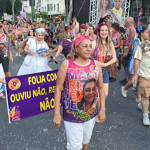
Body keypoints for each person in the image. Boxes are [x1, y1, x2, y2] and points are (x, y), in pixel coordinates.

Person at [53, 35, 106, 150]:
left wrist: (102, 109)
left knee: (86, 140)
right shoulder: (67, 64)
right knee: (75, 146)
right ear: (76, 48)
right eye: (85, 46)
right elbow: (58, 89)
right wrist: (57, 113)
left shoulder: (96, 65)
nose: (88, 49)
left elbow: (101, 88)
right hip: (71, 114)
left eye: (90, 46)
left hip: (91, 113)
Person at [122, 24, 149, 99]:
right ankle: (124, 88)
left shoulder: (146, 42)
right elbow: (134, 53)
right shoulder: (137, 41)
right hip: (136, 62)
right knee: (134, 80)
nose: (148, 34)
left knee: (140, 81)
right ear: (142, 33)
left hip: (142, 63)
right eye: (146, 32)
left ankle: (138, 98)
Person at [132, 25, 150, 126]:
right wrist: (135, 75)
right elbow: (137, 60)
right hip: (145, 75)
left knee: (146, 96)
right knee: (145, 95)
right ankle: (145, 115)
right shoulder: (143, 45)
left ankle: (142, 105)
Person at [94, 23, 116, 98]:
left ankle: (98, 107)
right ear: (99, 32)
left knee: (105, 94)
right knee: (95, 94)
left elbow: (114, 58)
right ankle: (96, 109)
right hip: (95, 71)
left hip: (105, 70)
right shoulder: (95, 43)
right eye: (102, 30)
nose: (104, 32)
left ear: (108, 32)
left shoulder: (110, 43)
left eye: (106, 30)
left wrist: (106, 64)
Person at [120, 17, 136, 85]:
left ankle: (128, 79)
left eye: (125, 21)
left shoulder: (132, 29)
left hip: (129, 51)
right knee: (125, 63)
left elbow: (132, 41)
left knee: (127, 64)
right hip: (126, 49)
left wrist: (127, 51)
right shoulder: (128, 29)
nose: (124, 22)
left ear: (127, 22)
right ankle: (126, 78)